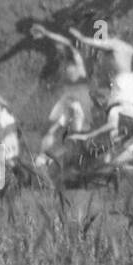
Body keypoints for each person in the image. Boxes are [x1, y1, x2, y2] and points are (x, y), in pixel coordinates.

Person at [26, 24, 95, 170]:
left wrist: (47, 32)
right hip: (69, 100)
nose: (58, 48)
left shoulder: (76, 58)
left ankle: (48, 159)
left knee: (70, 138)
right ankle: (41, 159)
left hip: (79, 105)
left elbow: (65, 43)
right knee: (52, 130)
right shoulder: (67, 61)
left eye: (59, 47)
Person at [68, 26, 133, 109]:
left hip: (122, 83)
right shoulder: (128, 47)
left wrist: (80, 37)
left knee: (113, 112)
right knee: (124, 115)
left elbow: (91, 42)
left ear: (110, 35)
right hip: (132, 83)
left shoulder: (112, 43)